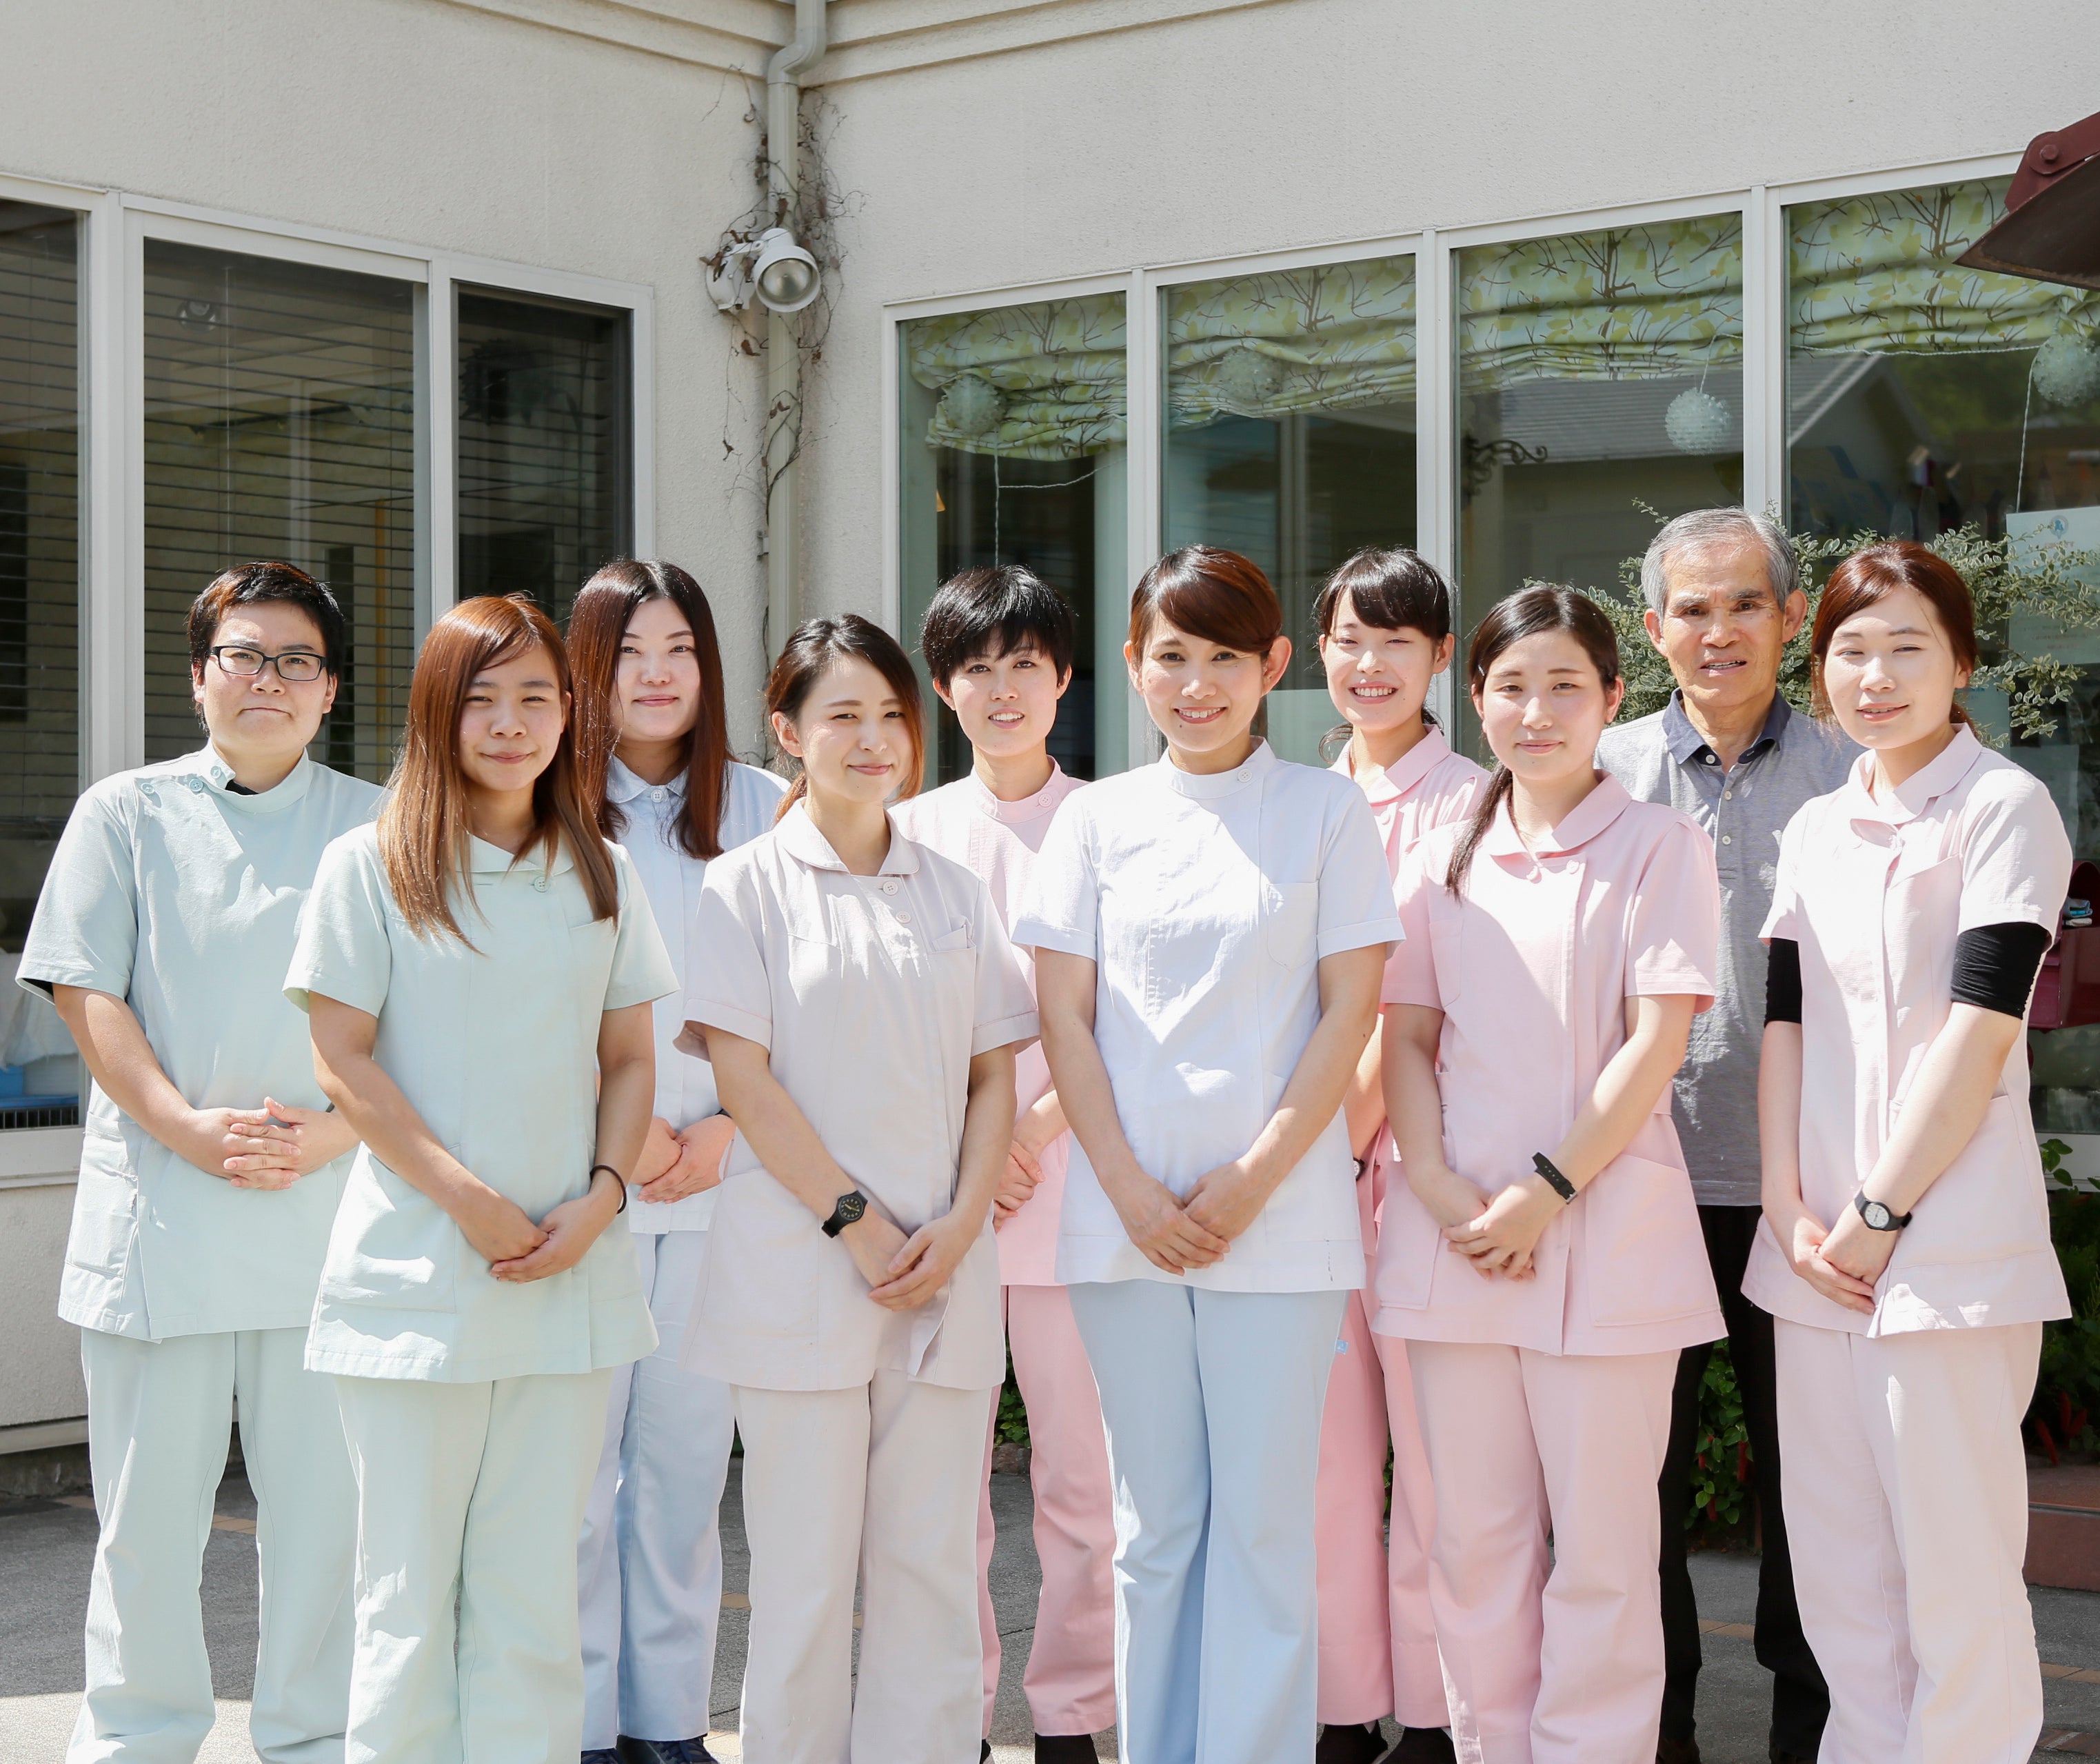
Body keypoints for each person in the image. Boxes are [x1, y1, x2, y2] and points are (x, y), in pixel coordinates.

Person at [1018, 546, 1400, 1764]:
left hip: (1279, 1227)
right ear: (1130, 666)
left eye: (1224, 657)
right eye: (1170, 656)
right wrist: (1129, 1187)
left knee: (1264, 1533)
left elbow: (1350, 1014)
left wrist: (1252, 1178)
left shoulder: (1325, 810)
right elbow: (1062, 1017)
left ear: (1273, 667)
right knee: (1155, 1527)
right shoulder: (1093, 817)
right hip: (1119, 1226)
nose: (1196, 683)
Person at [287, 593, 672, 1763]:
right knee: (405, 1598)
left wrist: (603, 1198)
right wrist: (466, 1198)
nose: (511, 721)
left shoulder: (600, 869)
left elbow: (630, 1057)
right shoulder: (371, 866)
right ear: (435, 713)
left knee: (531, 1600)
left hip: (566, 1277)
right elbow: (341, 1060)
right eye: (482, 696)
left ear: (571, 712)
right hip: (417, 1281)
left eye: (537, 696)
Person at [21, 562, 378, 1764]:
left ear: (330, 691)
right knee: (145, 1523)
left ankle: (314, 1740)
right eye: (243, 654)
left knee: (325, 1520)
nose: (267, 678)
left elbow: (418, 1017)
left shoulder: (380, 822)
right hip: (161, 1216)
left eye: (297, 660)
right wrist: (180, 1125)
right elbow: (87, 989)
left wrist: (325, 1137)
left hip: (324, 1211)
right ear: (198, 675)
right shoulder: (123, 811)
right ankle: (134, 1740)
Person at [680, 614, 1038, 1764]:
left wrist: (963, 1216)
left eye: (892, 714)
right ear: (787, 731)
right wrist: (854, 1220)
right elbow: (743, 1076)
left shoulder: (952, 887)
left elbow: (994, 1072)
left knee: (932, 1571)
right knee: (802, 1578)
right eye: (843, 714)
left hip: (942, 1265)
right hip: (804, 1267)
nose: (875, 737)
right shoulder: (743, 888)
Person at [1376, 585, 1724, 1764]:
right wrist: (1431, 1182)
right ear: (1474, 698)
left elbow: (1656, 1040)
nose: (1536, 709)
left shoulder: (1660, 846)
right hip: (1456, 1240)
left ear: (1613, 700)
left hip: (1603, 1241)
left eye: (1565, 684)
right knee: (1470, 1545)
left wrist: (1544, 1190)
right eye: (1511, 685)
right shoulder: (1436, 855)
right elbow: (1407, 1037)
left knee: (1605, 1553)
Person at [1749, 540, 2071, 1764]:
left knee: (1956, 1585)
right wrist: (1787, 1204)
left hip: (1941, 1255)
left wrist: (1879, 1212)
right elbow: (1786, 1020)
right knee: (1842, 1588)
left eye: (1905, 648)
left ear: (1962, 662)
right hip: (1815, 1257)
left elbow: (1981, 1029)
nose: (1872, 676)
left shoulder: (2001, 807)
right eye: (1847, 650)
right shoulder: (1820, 825)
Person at [1593, 508, 1847, 1764]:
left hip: (1808, 1192)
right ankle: (1660, 1735)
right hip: (1639, 1182)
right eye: (1690, 609)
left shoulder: (1856, 767)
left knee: (1812, 1486)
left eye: (1744, 603)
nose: (1717, 629)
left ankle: (1809, 1734)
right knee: (1633, 1492)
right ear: (1651, 631)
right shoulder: (1597, 768)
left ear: (1790, 619)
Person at [567, 559, 787, 1764]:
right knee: (577, 1480)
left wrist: (726, 1133)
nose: (657, 675)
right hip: (588, 1190)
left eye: (681, 649)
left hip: (718, 1188)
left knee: (687, 1474)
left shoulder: (763, 805)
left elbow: (809, 997)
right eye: (629, 649)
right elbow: (519, 994)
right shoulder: (540, 797)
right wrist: (618, 1130)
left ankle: (667, 1724)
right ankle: (585, 1723)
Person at [891, 565, 1113, 1764]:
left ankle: (1075, 1713)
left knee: (1083, 1484)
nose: (1001, 687)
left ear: (1064, 676)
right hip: (945, 1209)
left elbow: (1128, 1023)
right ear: (941, 686)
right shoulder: (908, 831)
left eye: (1025, 662)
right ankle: (954, 1717)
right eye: (976, 666)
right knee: (946, 1492)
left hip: (1075, 1198)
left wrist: (1032, 1135)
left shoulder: (1114, 821)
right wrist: (980, 1156)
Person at [1308, 548, 1480, 1764]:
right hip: (1304, 1184)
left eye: (1396, 643)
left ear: (1441, 660)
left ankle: (1429, 1714)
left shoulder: (1474, 798)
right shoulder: (1294, 797)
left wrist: (1333, 1137)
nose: (1369, 665)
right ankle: (1334, 1706)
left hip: (1413, 1175)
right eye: (1347, 640)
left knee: (1433, 1468)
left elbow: (1409, 1006)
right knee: (1318, 1466)